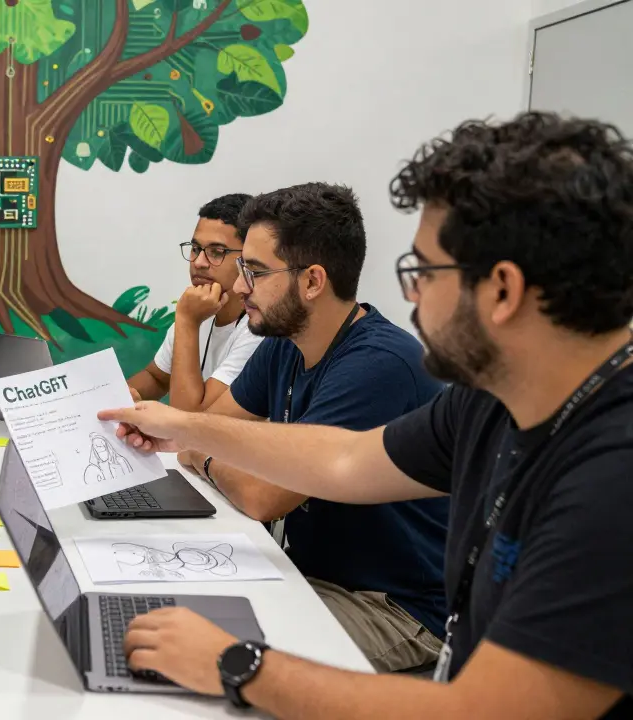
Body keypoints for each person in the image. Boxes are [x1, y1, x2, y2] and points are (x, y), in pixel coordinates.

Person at [103, 113, 633, 718]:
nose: (410, 295)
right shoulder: (489, 400)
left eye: (423, 273)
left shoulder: (611, 478)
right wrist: (184, 427)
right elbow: (347, 458)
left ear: (503, 290)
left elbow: (484, 712)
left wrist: (238, 663)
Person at [168, 183, 450, 673]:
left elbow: (259, 494)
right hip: (312, 578)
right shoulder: (284, 342)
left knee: (211, 659)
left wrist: (205, 454)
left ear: (313, 281)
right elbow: (199, 429)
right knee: (171, 614)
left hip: (393, 608)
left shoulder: (378, 364)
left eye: (253, 272)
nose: (238, 288)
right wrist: (199, 443)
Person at [127, 193, 263, 410]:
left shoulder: (261, 329)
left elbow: (192, 418)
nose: (199, 262)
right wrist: (117, 398)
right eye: (196, 249)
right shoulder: (200, 309)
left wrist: (188, 322)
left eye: (216, 252)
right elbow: (156, 377)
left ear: (249, 258)